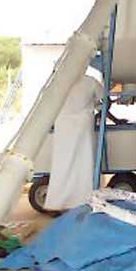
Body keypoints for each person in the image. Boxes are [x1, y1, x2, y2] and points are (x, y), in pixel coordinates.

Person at [44, 67, 102, 211]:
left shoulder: (57, 82)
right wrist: (109, 117)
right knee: (84, 162)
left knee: (63, 162)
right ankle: (84, 200)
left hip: (63, 124)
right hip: (83, 125)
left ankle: (58, 201)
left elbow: (48, 104)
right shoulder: (90, 82)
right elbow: (105, 102)